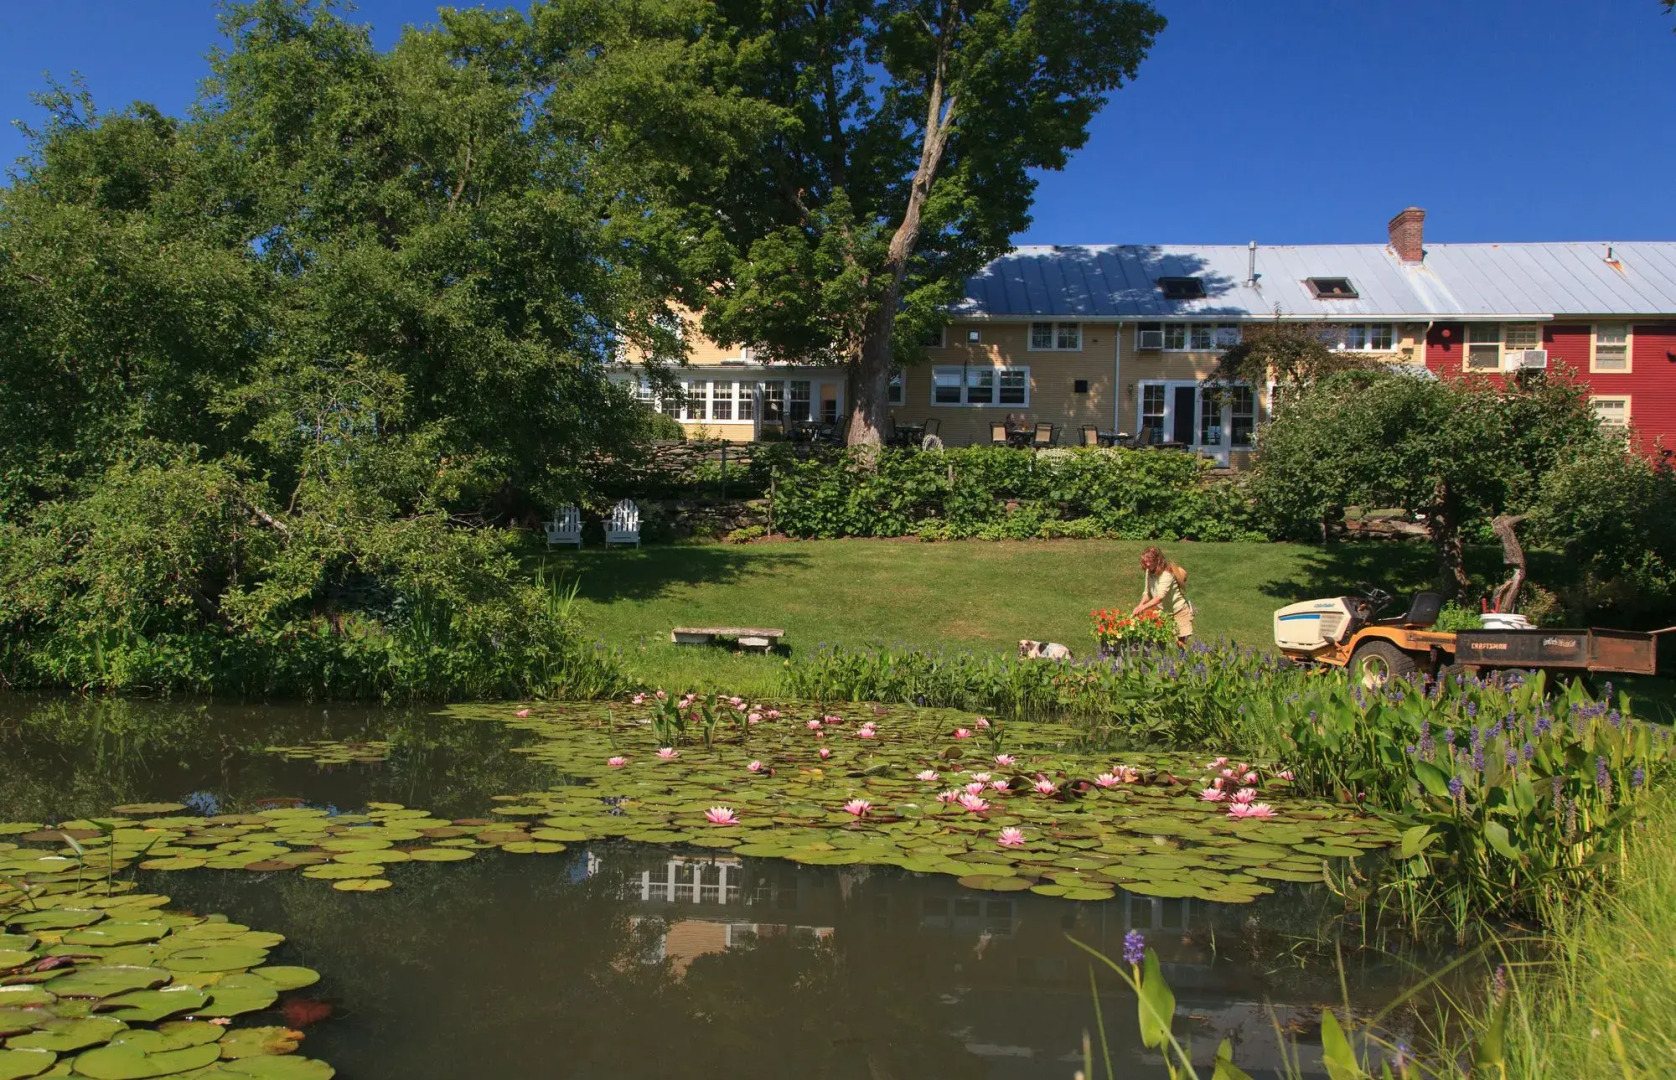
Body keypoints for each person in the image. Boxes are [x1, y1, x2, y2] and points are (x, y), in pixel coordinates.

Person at [1132, 546, 1193, 645]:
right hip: (1164, 612)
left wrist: (1143, 607)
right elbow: (1147, 593)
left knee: (1181, 644)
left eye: (1149, 561)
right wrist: (1140, 605)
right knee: (1159, 642)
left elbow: (1159, 597)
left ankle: (1183, 660)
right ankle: (1163, 660)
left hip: (1179, 611)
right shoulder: (1149, 571)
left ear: (1157, 560)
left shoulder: (1166, 574)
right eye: (1145, 561)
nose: (1147, 564)